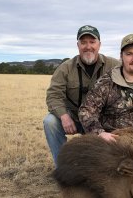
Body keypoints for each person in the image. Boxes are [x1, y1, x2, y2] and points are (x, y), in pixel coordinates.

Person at [44, 25, 120, 165]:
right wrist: (64, 116)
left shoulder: (114, 65)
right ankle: (62, 166)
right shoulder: (65, 67)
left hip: (101, 120)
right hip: (74, 118)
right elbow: (53, 95)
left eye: (92, 42)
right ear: (77, 45)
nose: (88, 46)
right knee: (50, 122)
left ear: (99, 44)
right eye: (83, 42)